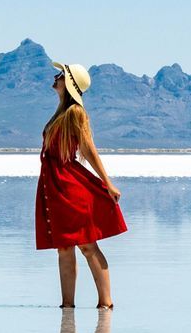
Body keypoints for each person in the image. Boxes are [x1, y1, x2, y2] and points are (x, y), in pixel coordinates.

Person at [36, 62, 127, 308]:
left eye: (61, 75)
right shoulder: (59, 112)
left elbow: (88, 148)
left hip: (69, 184)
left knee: (87, 245)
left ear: (70, 83)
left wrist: (107, 182)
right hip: (54, 184)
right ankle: (67, 306)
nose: (55, 77)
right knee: (64, 247)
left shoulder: (75, 113)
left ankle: (105, 302)